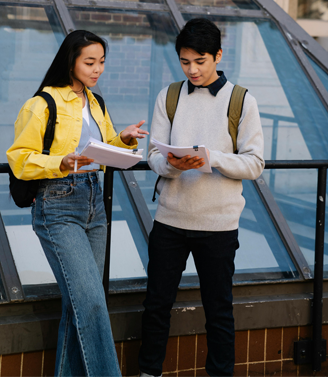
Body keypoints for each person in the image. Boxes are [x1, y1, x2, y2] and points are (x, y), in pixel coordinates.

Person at [7, 30, 148, 377]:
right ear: (70, 61)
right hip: (57, 204)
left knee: (79, 305)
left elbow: (100, 150)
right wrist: (60, 163)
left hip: (94, 202)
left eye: (101, 62)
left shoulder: (96, 102)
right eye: (90, 62)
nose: (97, 69)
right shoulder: (41, 104)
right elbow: (19, 158)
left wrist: (123, 139)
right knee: (92, 302)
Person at [138, 18, 264, 377]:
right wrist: (175, 165)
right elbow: (154, 156)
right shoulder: (170, 96)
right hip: (170, 220)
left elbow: (255, 163)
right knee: (156, 305)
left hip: (219, 224)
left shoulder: (242, 100)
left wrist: (210, 158)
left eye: (200, 61)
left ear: (218, 55)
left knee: (218, 310)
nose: (192, 69)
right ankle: (149, 372)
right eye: (185, 62)